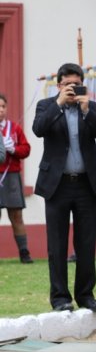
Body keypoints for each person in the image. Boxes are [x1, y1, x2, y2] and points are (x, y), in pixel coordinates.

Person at [32, 63, 96, 313]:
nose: (72, 88)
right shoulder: (47, 106)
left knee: (86, 244)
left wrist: (88, 111)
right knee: (57, 245)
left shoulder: (92, 106)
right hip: (57, 185)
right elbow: (38, 129)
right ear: (59, 85)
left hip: (86, 185)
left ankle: (86, 295)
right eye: (68, 84)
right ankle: (60, 298)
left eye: (76, 84)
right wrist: (59, 104)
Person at [0, 93, 33, 263]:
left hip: (11, 176)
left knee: (16, 216)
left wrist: (14, 149)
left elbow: (26, 149)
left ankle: (24, 253)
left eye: (3, 107)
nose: (0, 110)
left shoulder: (14, 128)